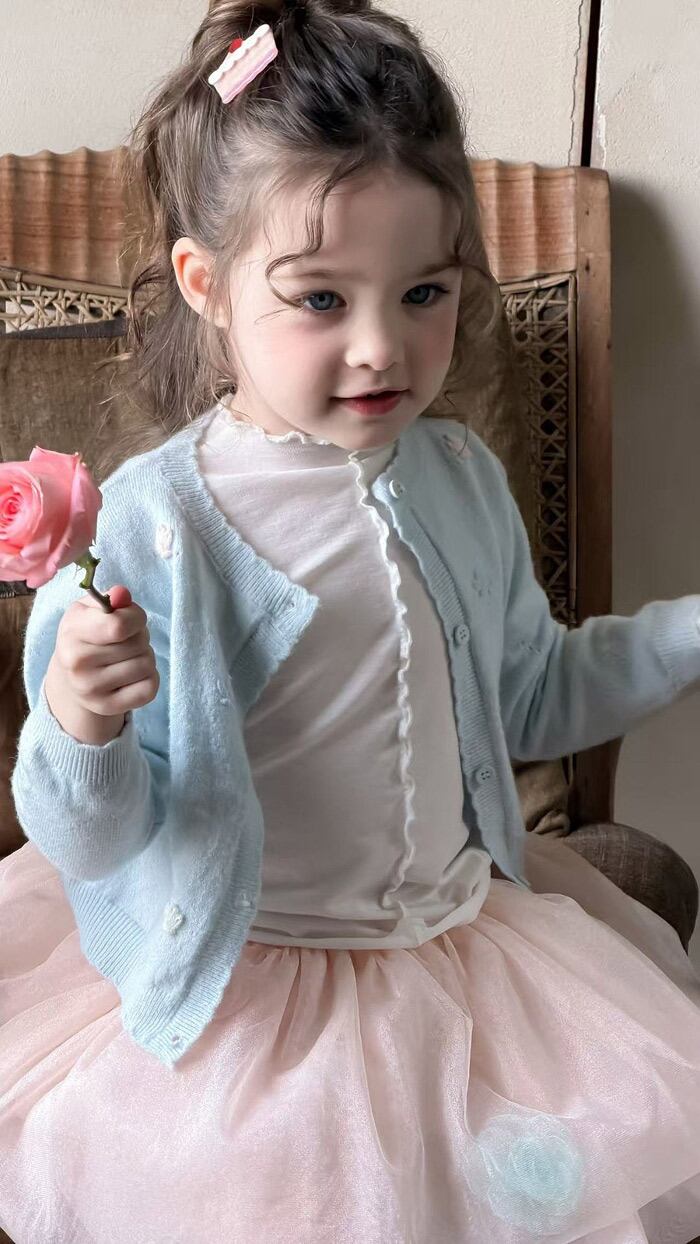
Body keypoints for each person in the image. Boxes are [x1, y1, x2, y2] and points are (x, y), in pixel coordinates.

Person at [1, 1, 699, 1240]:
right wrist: (81, 718)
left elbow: (530, 694)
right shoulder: (155, 526)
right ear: (208, 286)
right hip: (249, 1004)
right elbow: (90, 833)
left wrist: (686, 634)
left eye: (423, 291)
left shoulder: (461, 477)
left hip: (462, 956)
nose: (383, 347)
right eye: (320, 298)